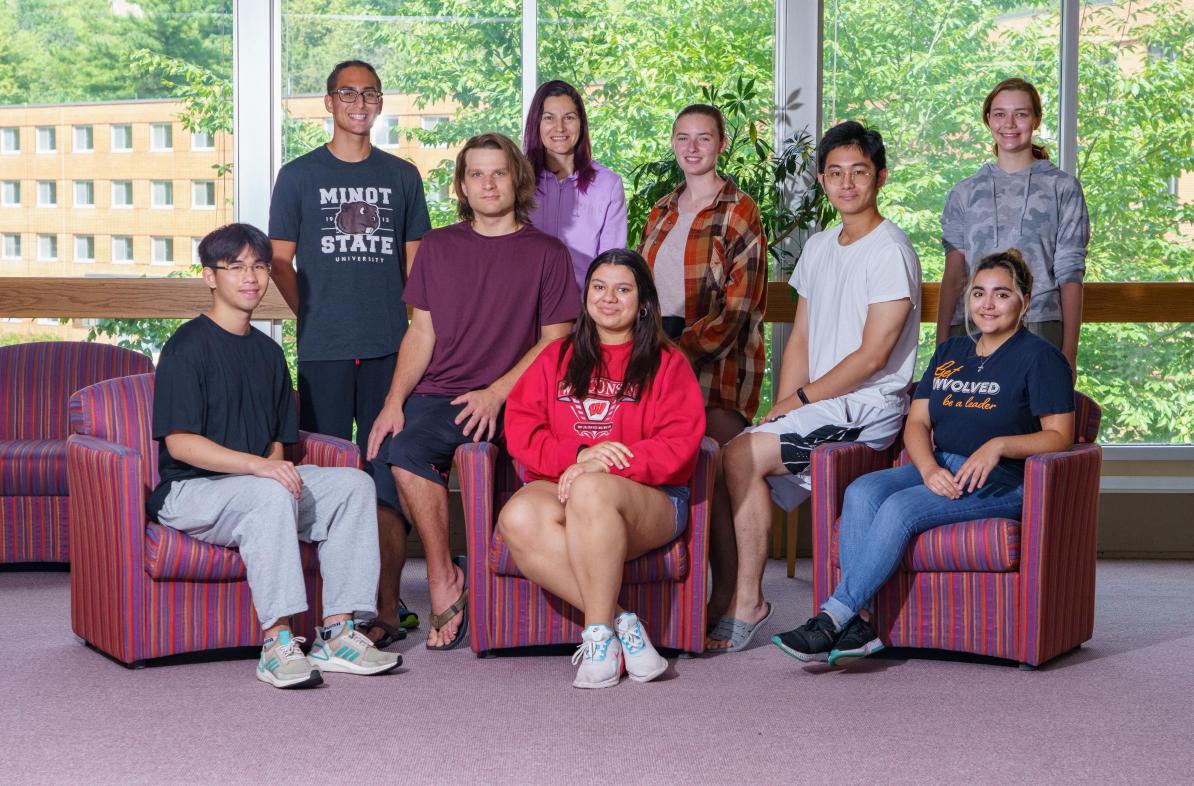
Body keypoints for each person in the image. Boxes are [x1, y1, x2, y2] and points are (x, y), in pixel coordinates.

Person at [773, 248, 1075, 666]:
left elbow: (1060, 436)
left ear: (1025, 299)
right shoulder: (952, 352)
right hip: (942, 464)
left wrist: (998, 445)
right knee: (862, 490)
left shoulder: (1041, 358)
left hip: (1002, 480)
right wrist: (929, 468)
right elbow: (917, 424)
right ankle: (861, 625)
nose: (987, 305)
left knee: (899, 508)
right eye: (979, 293)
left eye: (1002, 295)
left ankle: (830, 619)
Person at [148, 223, 400, 689]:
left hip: (255, 487)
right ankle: (277, 643)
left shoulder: (268, 353)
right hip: (191, 491)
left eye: (260, 266)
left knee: (353, 484)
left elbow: (279, 443)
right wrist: (262, 470)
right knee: (267, 495)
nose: (251, 277)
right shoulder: (186, 347)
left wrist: (272, 468)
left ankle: (339, 632)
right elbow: (180, 444)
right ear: (210, 277)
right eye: (236, 267)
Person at [706, 120, 922, 652]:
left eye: (859, 172)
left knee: (739, 457)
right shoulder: (821, 246)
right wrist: (783, 403)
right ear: (822, 180)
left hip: (867, 407)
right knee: (720, 457)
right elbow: (800, 337)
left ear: (881, 178)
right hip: (821, 402)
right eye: (834, 173)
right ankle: (731, 593)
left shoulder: (890, 250)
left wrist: (800, 401)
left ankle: (748, 600)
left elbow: (873, 356)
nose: (846, 184)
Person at [367, 132, 580, 650]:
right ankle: (443, 577)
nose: (489, 183)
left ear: (517, 180)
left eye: (499, 172)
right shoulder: (438, 247)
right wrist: (393, 402)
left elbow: (557, 341)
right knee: (394, 447)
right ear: (462, 185)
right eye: (477, 174)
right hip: (441, 393)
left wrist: (496, 393)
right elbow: (421, 332)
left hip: (519, 398)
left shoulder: (548, 253)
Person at [269, 59, 432, 648]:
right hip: (324, 352)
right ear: (329, 103)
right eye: (347, 93)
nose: (358, 102)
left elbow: (417, 267)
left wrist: (420, 332)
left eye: (369, 93)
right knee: (326, 479)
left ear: (380, 103)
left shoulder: (402, 176)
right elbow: (279, 260)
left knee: (386, 478)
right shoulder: (297, 176)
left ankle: (385, 611)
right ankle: (327, 610)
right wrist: (309, 314)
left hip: (390, 348)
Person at [498, 249, 705, 688]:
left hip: (651, 499)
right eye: (599, 287)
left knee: (592, 489)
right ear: (586, 296)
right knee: (516, 516)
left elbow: (680, 446)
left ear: (644, 301)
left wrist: (602, 463)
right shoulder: (556, 357)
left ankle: (595, 637)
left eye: (623, 289)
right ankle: (621, 626)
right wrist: (577, 457)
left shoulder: (668, 364)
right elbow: (521, 430)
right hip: (562, 483)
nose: (609, 298)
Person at [937, 77, 1090, 375]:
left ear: (1036, 119)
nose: (1009, 123)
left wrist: (1070, 352)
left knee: (1032, 419)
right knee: (969, 417)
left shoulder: (1063, 188)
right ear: (988, 119)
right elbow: (954, 273)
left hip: (1040, 325)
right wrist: (941, 343)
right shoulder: (964, 192)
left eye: (1020, 114)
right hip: (972, 326)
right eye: (999, 114)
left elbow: (1070, 272)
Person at [637, 104, 767, 446]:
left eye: (703, 138)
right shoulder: (660, 210)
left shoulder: (740, 210)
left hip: (714, 364)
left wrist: (679, 352)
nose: (691, 148)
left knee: (719, 474)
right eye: (683, 138)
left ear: (721, 144)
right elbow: (637, 288)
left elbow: (737, 309)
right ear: (673, 142)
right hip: (654, 349)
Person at [523, 79, 627, 294]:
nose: (560, 127)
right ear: (537, 124)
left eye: (569, 118)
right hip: (524, 304)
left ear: (581, 123)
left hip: (583, 309)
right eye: (549, 118)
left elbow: (611, 262)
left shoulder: (608, 184)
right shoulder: (518, 181)